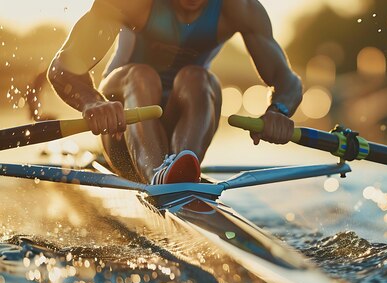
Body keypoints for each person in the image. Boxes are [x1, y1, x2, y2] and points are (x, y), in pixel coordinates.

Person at [47, 0, 301, 184]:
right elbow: (62, 68)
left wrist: (278, 111)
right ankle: (162, 176)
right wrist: (91, 102)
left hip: (186, 123)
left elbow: (288, 82)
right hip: (121, 129)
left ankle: (179, 171)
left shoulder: (240, 8)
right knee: (142, 77)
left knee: (198, 78)